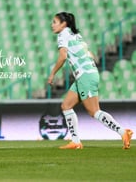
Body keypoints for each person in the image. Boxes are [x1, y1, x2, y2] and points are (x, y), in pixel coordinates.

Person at [47, 12, 133, 149]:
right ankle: (75, 142)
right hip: (86, 74)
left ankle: (123, 132)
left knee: (94, 112)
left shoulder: (63, 34)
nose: (52, 25)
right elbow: (90, 54)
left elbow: (63, 56)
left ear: (63, 24)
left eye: (54, 22)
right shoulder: (76, 35)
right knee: (66, 106)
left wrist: (52, 74)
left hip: (85, 76)